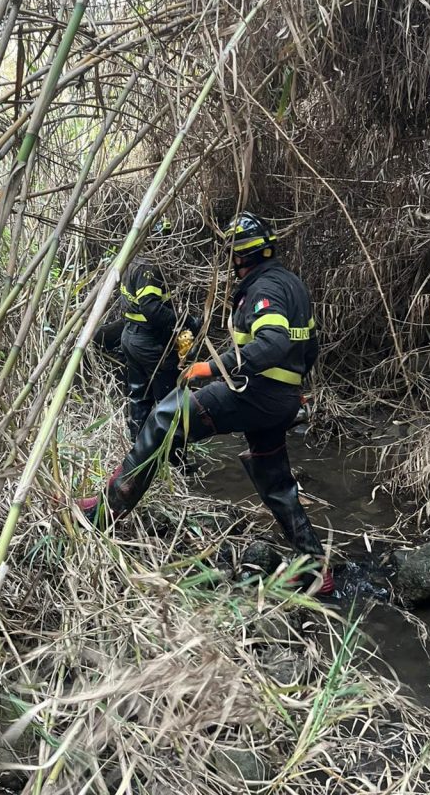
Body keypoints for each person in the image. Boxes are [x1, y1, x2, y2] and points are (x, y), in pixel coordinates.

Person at [78, 211, 333, 596]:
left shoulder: (264, 290)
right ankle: (314, 567)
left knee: (166, 415)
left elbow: (275, 342)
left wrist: (211, 367)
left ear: (239, 256)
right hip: (279, 397)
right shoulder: (291, 284)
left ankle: (106, 510)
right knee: (273, 478)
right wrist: (292, 389)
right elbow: (307, 346)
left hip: (259, 392)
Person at [117, 217, 200, 440]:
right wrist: (185, 321)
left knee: (139, 396)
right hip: (149, 343)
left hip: (131, 338)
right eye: (166, 238)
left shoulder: (133, 260)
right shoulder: (149, 266)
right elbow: (151, 309)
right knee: (170, 400)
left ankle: (138, 449)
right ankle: (173, 458)